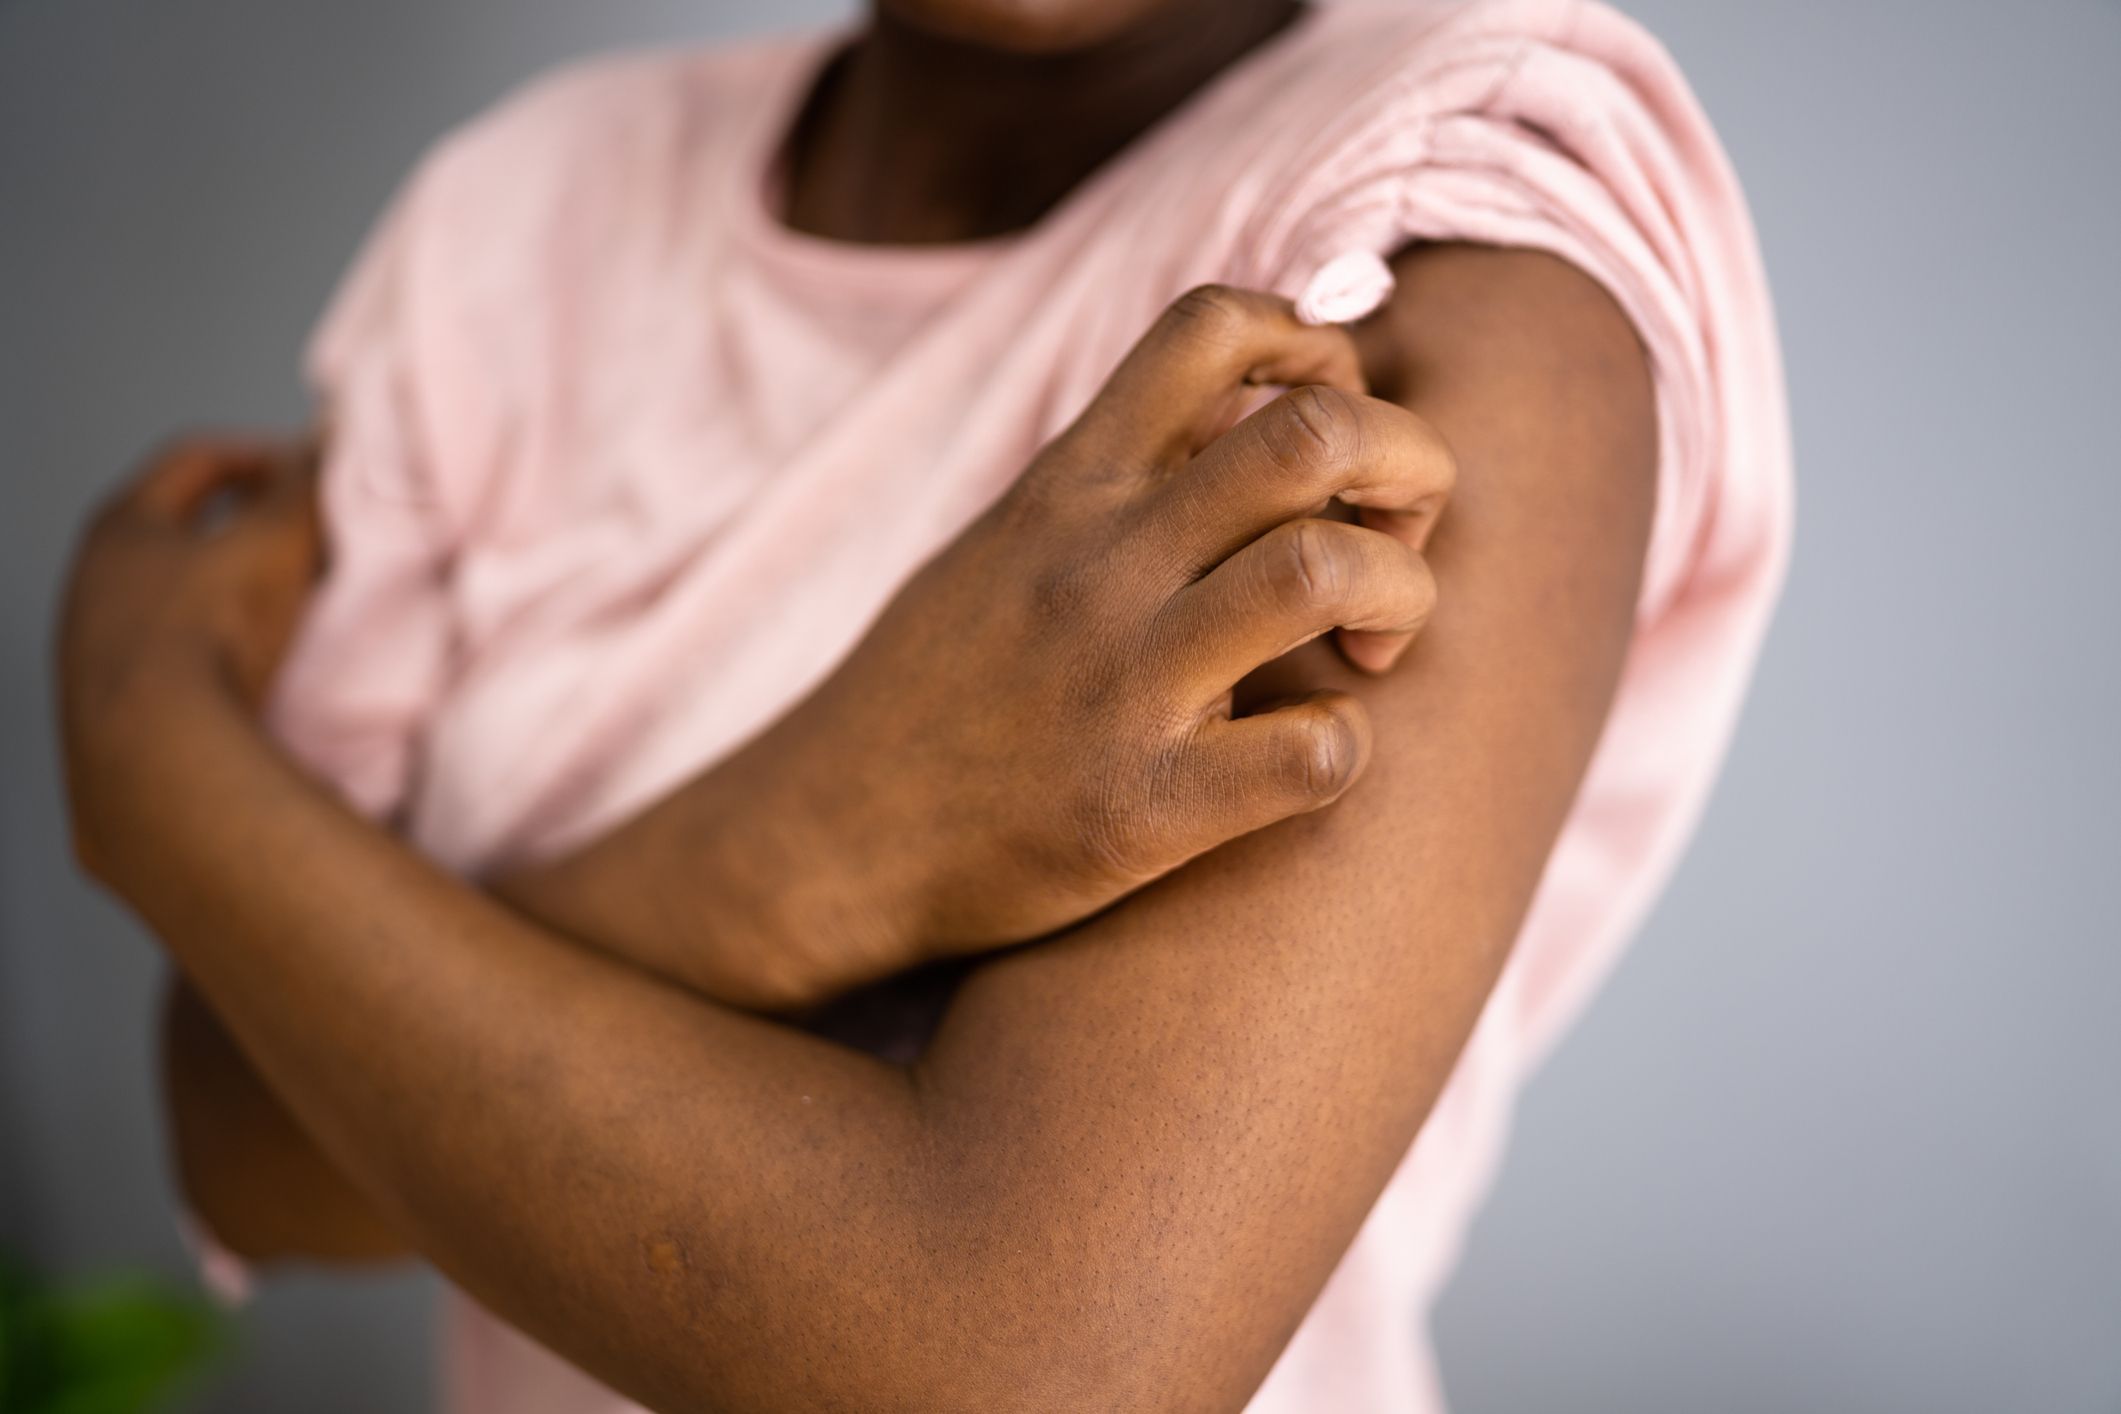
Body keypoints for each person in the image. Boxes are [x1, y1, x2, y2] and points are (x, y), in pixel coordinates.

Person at [54, 0, 1791, 1409]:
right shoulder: (519, 220)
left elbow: (1027, 1368)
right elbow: (246, 1141)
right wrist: (815, 839)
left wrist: (164, 767)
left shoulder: (1449, 221)